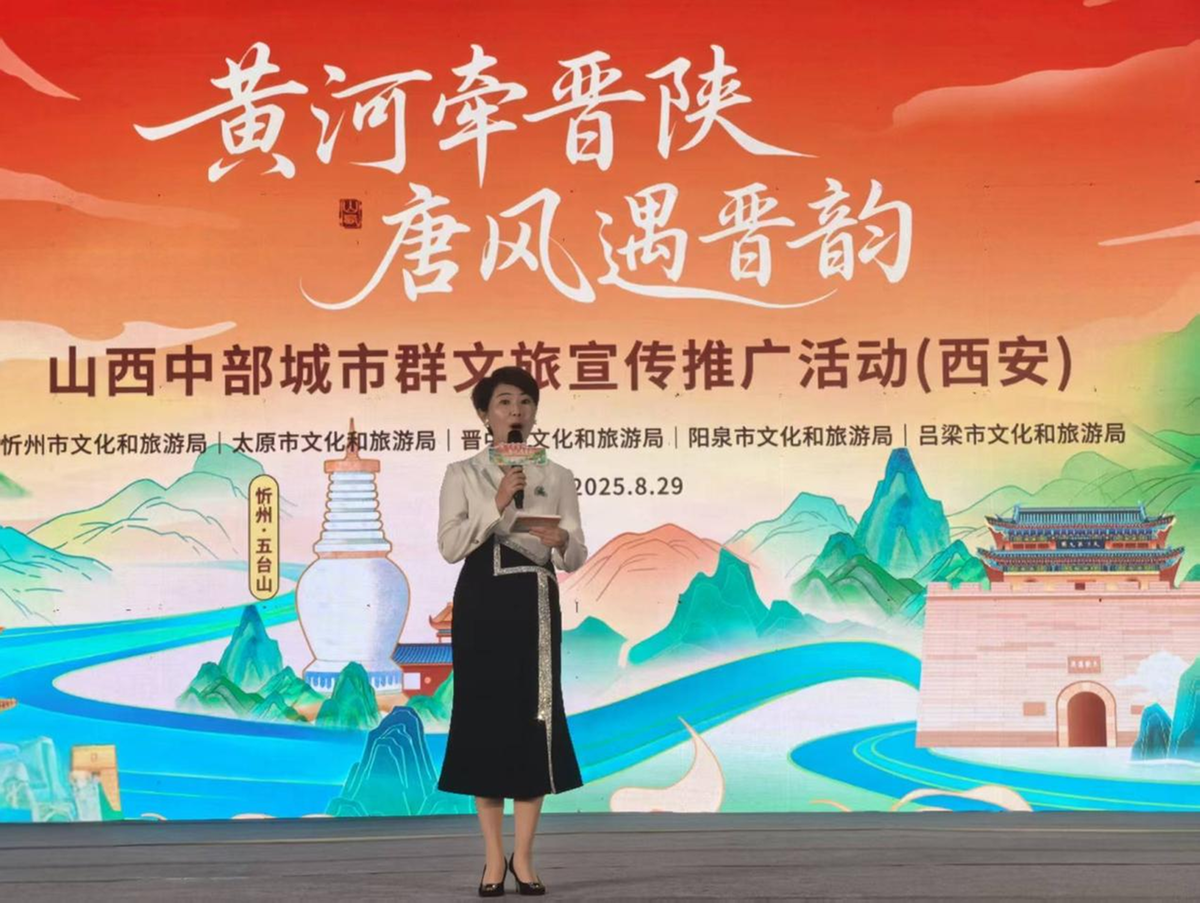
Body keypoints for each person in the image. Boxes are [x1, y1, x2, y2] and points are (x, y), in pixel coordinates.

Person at [436, 365, 588, 897]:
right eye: (503, 402)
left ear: (535, 412)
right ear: (484, 414)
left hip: (536, 607)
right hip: (482, 603)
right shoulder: (462, 473)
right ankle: (492, 858)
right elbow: (450, 546)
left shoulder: (559, 476)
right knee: (483, 721)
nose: (515, 412)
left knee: (531, 721)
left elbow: (576, 554)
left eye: (525, 402)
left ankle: (524, 857)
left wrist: (562, 541)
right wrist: (497, 501)